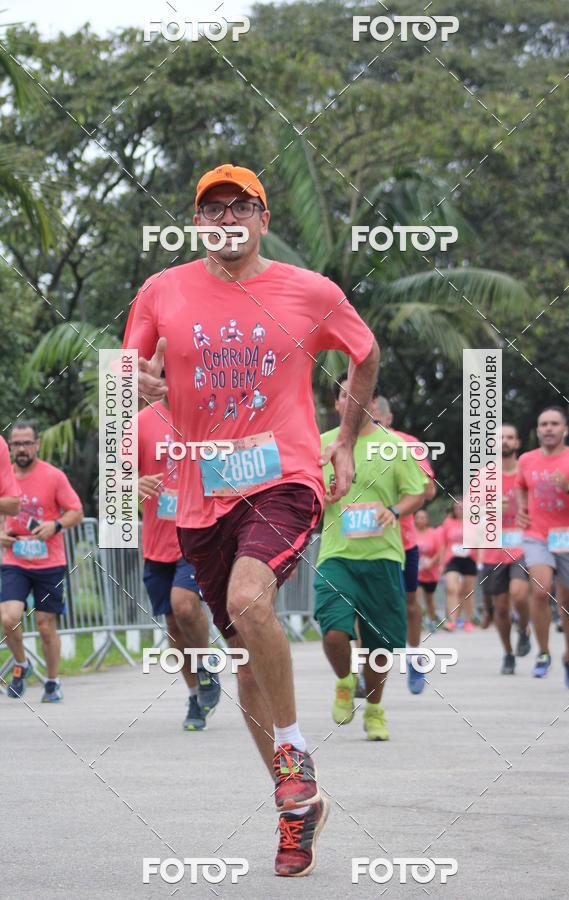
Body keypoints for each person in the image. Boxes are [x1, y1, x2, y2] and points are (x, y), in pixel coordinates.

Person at [124, 163, 380, 877]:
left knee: (246, 598)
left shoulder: (309, 291)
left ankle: (294, 750)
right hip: (201, 493)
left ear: (264, 219)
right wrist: (136, 384)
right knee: (244, 668)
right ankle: (297, 809)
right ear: (196, 223)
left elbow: (365, 353)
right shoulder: (162, 290)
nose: (227, 218)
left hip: (284, 477)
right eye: (213, 209)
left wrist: (346, 441)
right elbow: (124, 375)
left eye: (242, 206)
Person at [314, 382, 426, 739]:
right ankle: (345, 681)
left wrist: (394, 510)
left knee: (380, 645)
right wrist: (320, 498)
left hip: (383, 556)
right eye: (344, 394)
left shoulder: (394, 445)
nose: (352, 399)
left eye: (359, 393)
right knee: (334, 631)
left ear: (373, 403)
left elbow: (417, 493)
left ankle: (375, 709)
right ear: (336, 403)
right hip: (337, 556)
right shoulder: (321, 444)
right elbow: (305, 490)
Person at [137, 397, 221, 731]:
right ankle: (195, 696)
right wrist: (132, 484)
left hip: (198, 535)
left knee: (184, 604)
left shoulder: (212, 414)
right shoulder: (141, 422)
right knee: (173, 624)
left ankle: (206, 666)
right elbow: (113, 480)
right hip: (157, 543)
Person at [517, 406, 569, 688]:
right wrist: (522, 509)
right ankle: (543, 653)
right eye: (544, 424)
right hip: (537, 535)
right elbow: (522, 486)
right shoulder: (527, 459)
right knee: (540, 591)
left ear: (565, 429)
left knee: (568, 602)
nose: (549, 428)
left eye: (554, 424)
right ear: (538, 430)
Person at [0, 422, 83, 701]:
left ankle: (52, 681)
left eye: (27, 443)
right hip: (15, 559)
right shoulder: (5, 475)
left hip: (50, 561)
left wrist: (55, 525)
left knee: (46, 625)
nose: (22, 449)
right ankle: (21, 663)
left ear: (37, 444)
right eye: (16, 444)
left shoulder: (53, 476)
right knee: (8, 617)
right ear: (10, 447)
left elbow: (76, 511)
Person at [369, 394, 436, 694]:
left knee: (409, 603)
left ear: (389, 419)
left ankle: (414, 656)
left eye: (377, 420)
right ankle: (364, 667)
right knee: (364, 606)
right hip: (362, 541)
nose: (373, 426)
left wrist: (401, 486)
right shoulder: (347, 443)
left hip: (402, 541)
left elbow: (429, 490)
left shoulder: (407, 444)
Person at [479, 424, 531, 675]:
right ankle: (508, 653)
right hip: (494, 549)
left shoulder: (527, 473)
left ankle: (523, 628)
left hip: (523, 545)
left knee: (519, 594)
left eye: (510, 437)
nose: (505, 441)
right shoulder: (483, 476)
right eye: (500, 438)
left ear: (517, 443)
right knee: (500, 607)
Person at [440, 499, 478, 631]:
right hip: (453, 559)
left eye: (461, 507)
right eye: (456, 507)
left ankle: (468, 621)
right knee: (452, 589)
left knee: (467, 591)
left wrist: (479, 561)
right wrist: (441, 564)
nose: (459, 509)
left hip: (469, 558)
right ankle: (452, 622)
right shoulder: (448, 522)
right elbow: (443, 544)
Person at [414, 509, 444, 631]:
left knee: (429, 599)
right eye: (417, 517)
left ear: (427, 520)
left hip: (430, 572)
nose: (420, 520)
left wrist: (431, 562)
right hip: (416, 572)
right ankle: (418, 621)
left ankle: (432, 620)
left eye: (422, 518)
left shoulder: (433, 533)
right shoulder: (412, 533)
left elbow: (440, 551)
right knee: (416, 597)